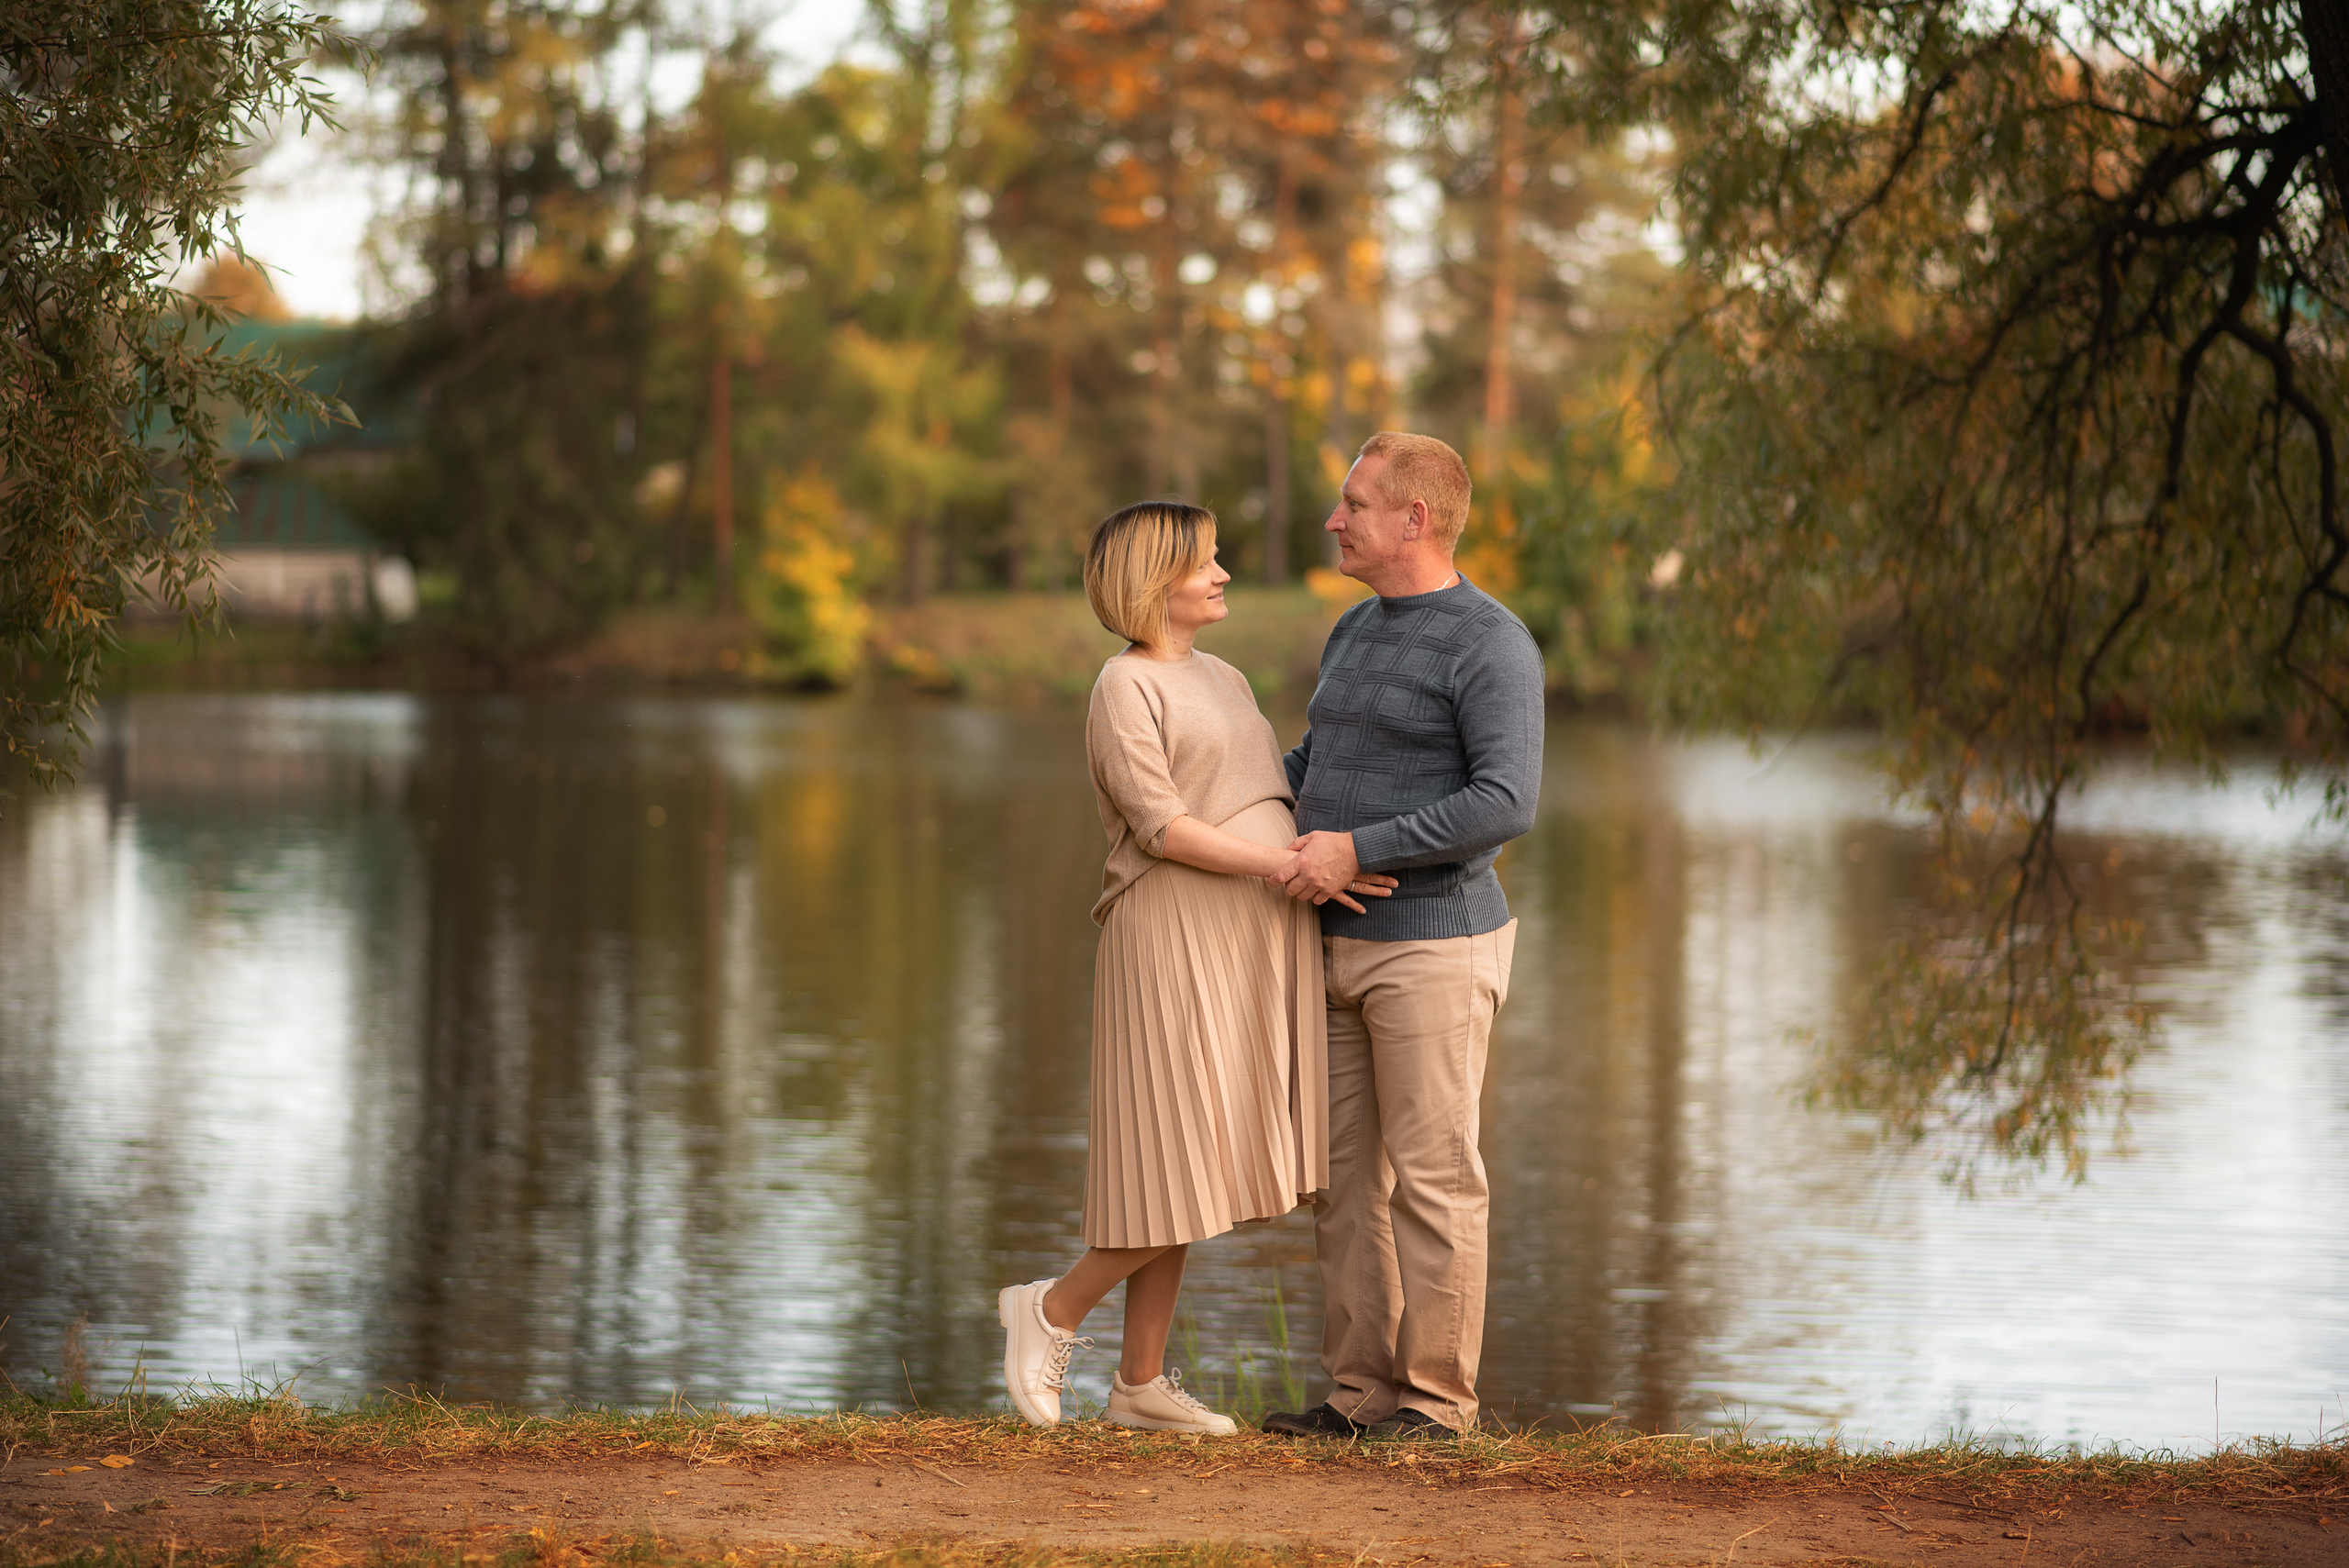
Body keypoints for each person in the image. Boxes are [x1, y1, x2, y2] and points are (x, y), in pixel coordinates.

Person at [997, 500, 1398, 1434]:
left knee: (1191, 1154)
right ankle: (1051, 1309)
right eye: (1204, 563)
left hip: (1251, 933)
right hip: (1172, 931)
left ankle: (1138, 1382)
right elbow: (1160, 824)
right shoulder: (1122, 686)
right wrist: (1284, 864)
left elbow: (1270, 785)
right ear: (1153, 581)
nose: (1221, 575)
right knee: (1172, 1147)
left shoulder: (1223, 674)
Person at [1259, 431, 1545, 1440]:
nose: (1334, 520)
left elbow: (1506, 800)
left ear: (1413, 518)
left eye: (1354, 502)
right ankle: (1360, 1393)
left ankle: (1435, 1403)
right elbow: (1310, 759)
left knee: (1433, 1182)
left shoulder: (1491, 641)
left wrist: (1358, 847)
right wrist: (1227, 808)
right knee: (1342, 1188)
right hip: (1329, 949)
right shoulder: (1352, 631)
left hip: (1432, 947)